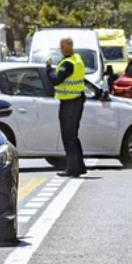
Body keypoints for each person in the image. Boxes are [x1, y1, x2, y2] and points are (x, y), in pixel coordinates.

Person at [45, 37, 87, 177]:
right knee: (73, 136)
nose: (61, 49)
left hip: (70, 103)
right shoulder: (77, 59)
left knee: (68, 136)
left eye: (62, 46)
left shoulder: (68, 63)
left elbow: (56, 80)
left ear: (68, 47)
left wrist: (49, 69)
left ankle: (72, 168)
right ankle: (79, 166)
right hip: (76, 101)